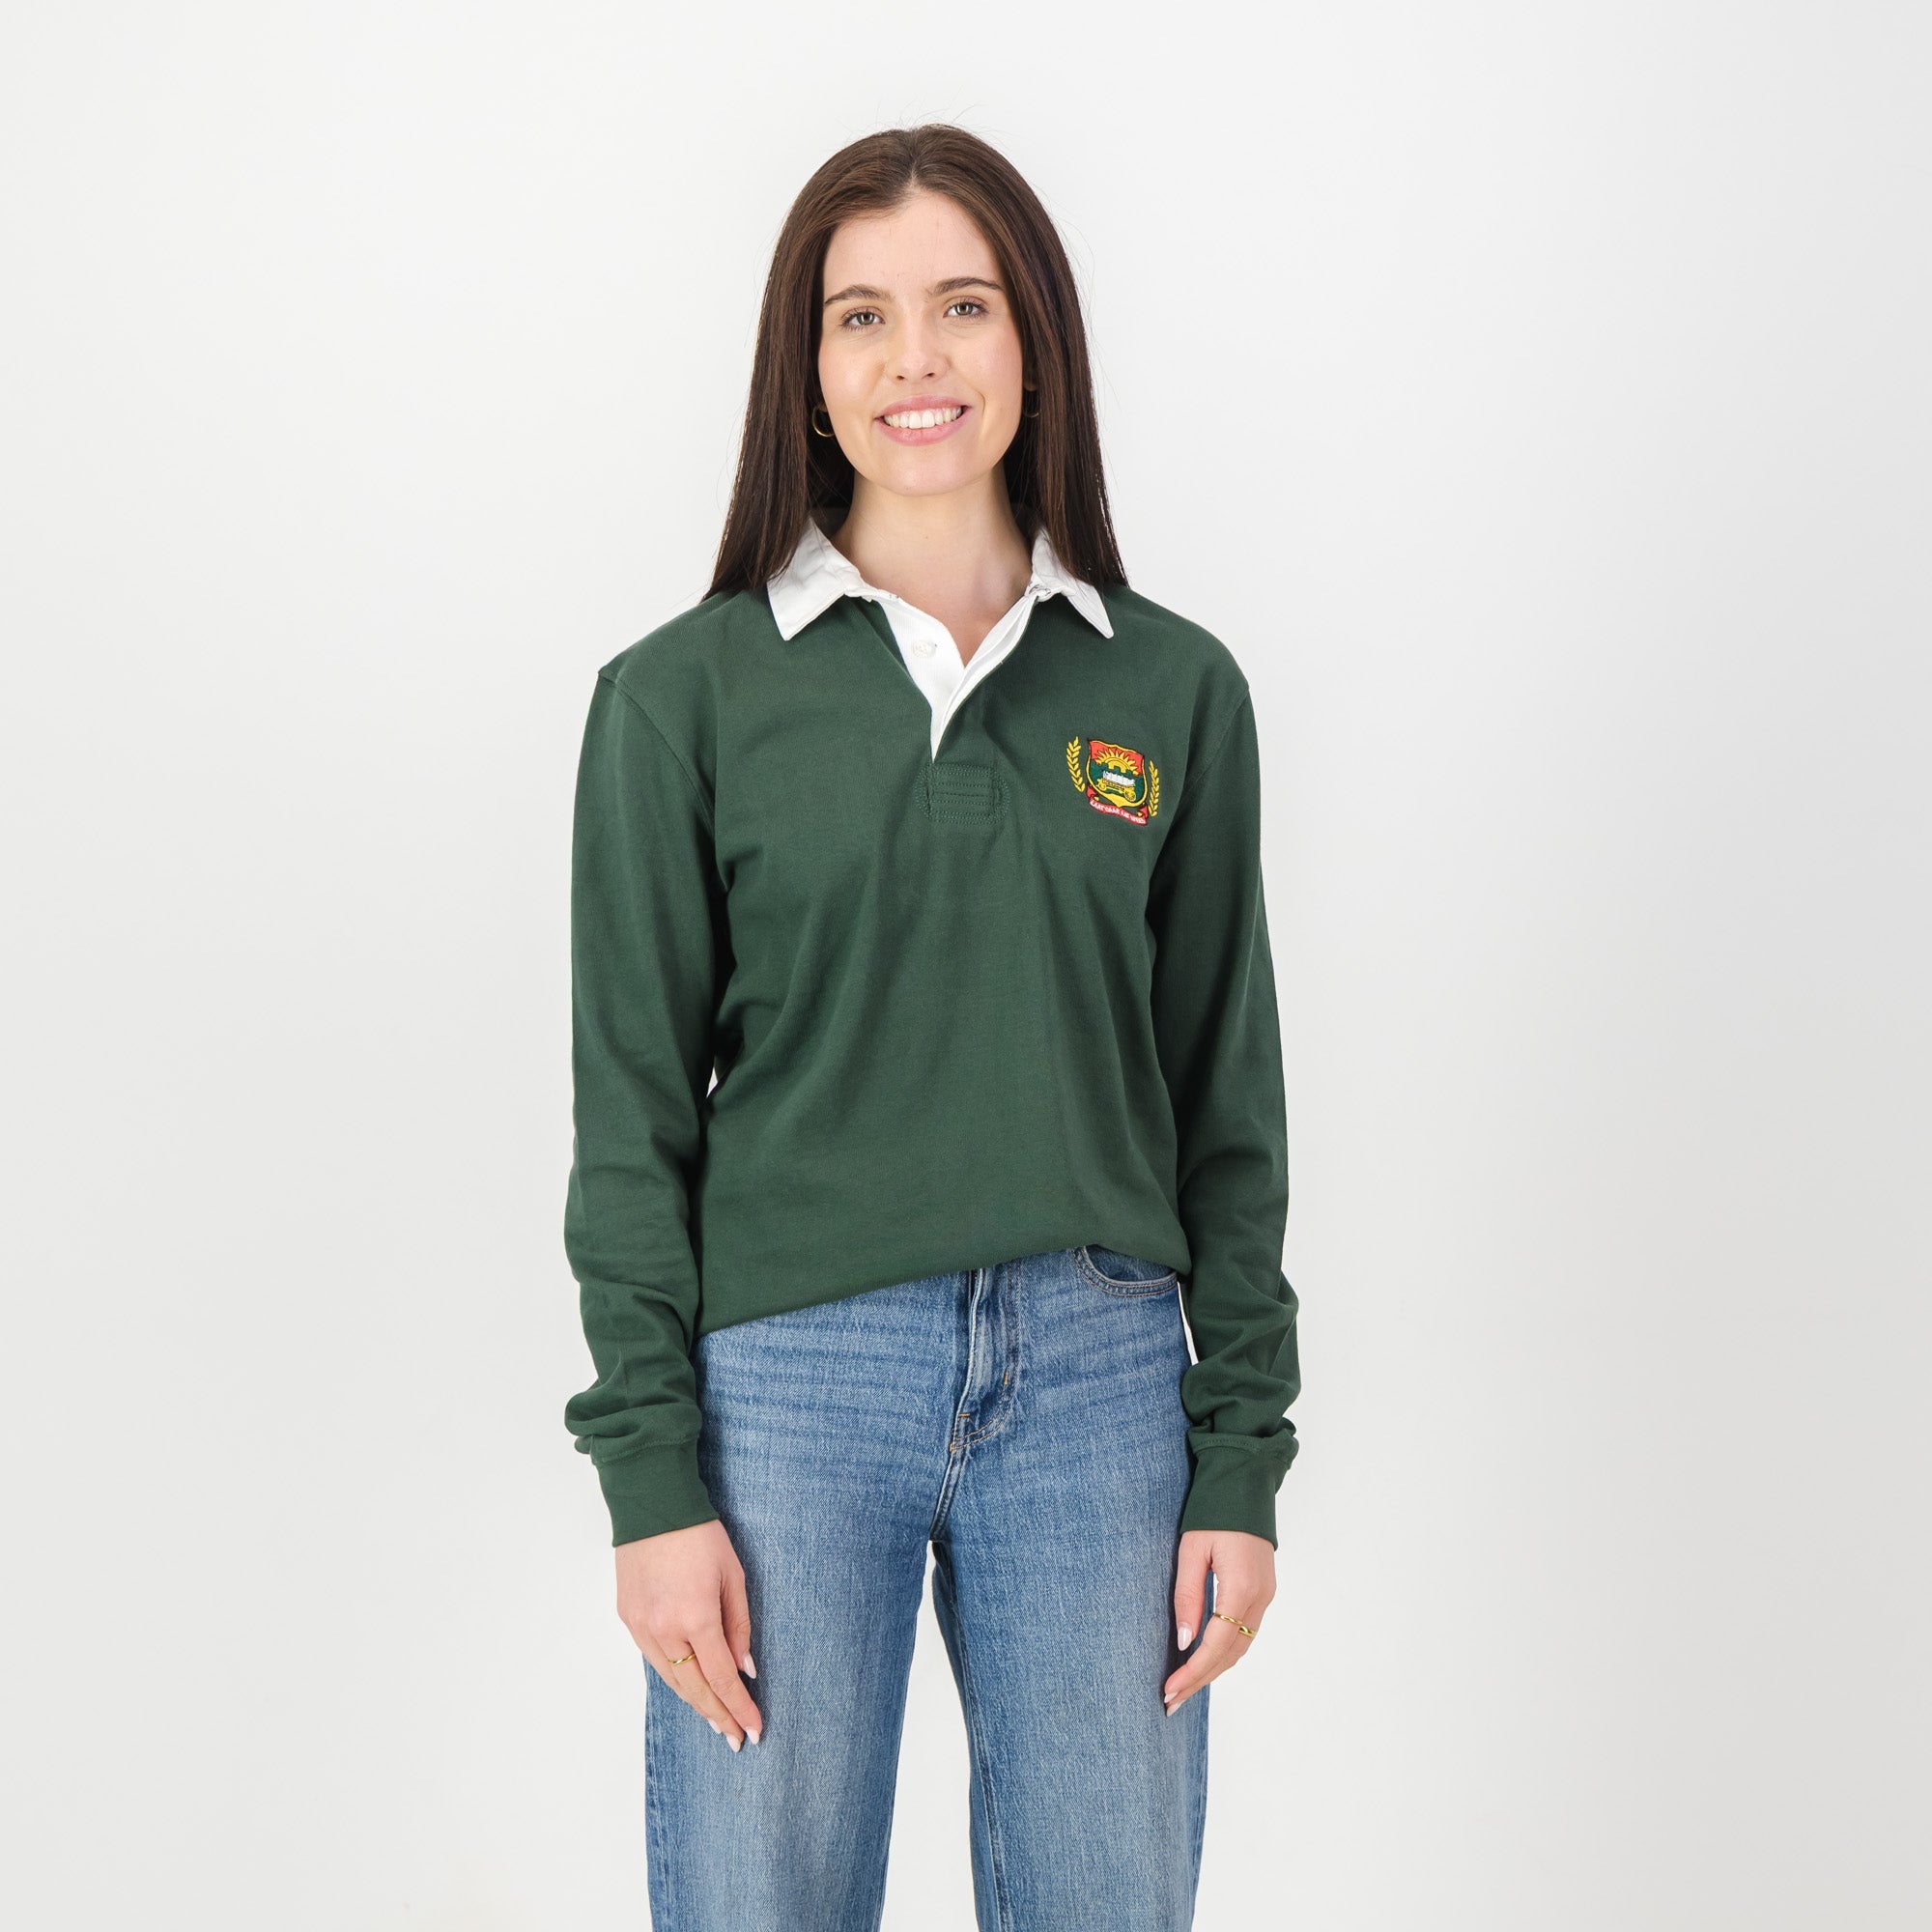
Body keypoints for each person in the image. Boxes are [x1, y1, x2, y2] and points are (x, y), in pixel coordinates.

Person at [562, 121, 1300, 1931]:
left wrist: (1242, 1453)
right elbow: (631, 1126)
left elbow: (1228, 1106)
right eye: (863, 315)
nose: (918, 358)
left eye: (965, 305)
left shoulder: (1171, 688)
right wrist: (650, 1481)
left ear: (1033, 340)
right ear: (806, 371)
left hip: (1102, 1384)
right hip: (787, 1388)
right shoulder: (679, 700)